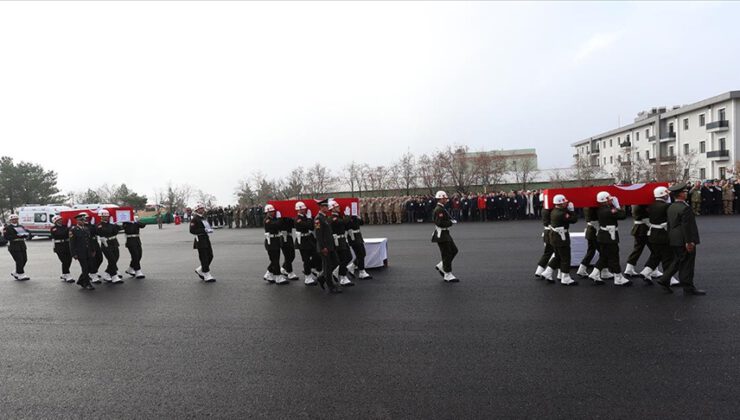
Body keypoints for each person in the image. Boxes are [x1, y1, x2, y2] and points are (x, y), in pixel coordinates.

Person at [656, 184, 706, 295]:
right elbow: (687, 227)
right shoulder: (685, 208)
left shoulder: (671, 206)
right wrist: (689, 242)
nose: (686, 193)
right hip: (684, 239)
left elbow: (670, 224)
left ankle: (664, 280)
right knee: (687, 264)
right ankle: (688, 287)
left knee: (678, 261)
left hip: (674, 238)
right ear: (681, 194)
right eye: (684, 192)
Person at [588, 191, 631, 286]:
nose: (611, 200)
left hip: (603, 235)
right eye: (609, 199)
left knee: (604, 256)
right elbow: (622, 216)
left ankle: (594, 274)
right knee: (614, 255)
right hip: (609, 236)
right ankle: (618, 277)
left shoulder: (600, 209)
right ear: (605, 200)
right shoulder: (609, 210)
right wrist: (618, 206)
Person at [643, 186, 679, 287]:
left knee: (656, 255)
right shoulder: (666, 206)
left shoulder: (651, 205)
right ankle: (669, 278)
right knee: (668, 257)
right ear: (664, 195)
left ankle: (646, 271)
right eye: (667, 194)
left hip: (653, 234)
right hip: (663, 235)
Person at [546, 194, 578, 286]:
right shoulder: (562, 213)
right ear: (560, 203)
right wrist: (572, 210)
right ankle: (565, 277)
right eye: (564, 202)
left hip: (555, 237)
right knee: (565, 257)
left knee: (558, 256)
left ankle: (547, 272)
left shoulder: (554, 211)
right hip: (561, 237)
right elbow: (574, 220)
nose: (566, 203)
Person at [314, 199, 342, 293]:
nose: (327, 208)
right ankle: (331, 286)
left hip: (330, 246)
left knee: (336, 262)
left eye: (327, 206)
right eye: (325, 206)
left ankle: (322, 277)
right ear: (321, 207)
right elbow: (318, 235)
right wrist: (323, 248)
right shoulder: (318, 219)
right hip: (324, 247)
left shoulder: (325, 217)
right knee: (328, 266)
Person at [431, 190, 459, 282]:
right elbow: (440, 223)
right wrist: (450, 222)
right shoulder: (439, 209)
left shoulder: (442, 208)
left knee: (454, 250)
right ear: (440, 199)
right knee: (446, 254)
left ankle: (442, 265)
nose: (446, 200)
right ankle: (447, 274)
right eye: (444, 198)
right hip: (441, 235)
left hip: (445, 234)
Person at [293, 201, 319, 286]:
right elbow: (309, 226)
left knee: (316, 255)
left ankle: (309, 269)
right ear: (299, 209)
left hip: (308, 239)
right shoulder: (298, 219)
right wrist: (309, 218)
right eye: (303, 208)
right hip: (302, 241)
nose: (305, 209)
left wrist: (309, 218)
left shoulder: (305, 217)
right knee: (306, 259)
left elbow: (311, 226)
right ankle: (307, 277)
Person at [329, 200, 354, 287]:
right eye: (337, 207)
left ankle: (338, 272)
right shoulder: (333, 218)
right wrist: (347, 215)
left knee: (348, 257)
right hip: (338, 242)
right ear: (332, 209)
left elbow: (346, 225)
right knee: (344, 258)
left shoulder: (339, 217)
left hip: (343, 240)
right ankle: (342, 277)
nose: (339, 208)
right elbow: (342, 222)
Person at [96, 209, 124, 284]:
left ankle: (107, 273)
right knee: (112, 260)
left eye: (107, 216)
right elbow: (105, 231)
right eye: (104, 216)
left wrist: (114, 225)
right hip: (106, 244)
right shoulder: (99, 225)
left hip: (114, 242)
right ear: (101, 217)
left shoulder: (110, 224)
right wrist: (112, 225)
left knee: (116, 258)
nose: (106, 217)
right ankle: (114, 276)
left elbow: (116, 231)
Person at [263, 204, 288, 285]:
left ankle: (268, 274)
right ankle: (278, 277)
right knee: (275, 260)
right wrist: (280, 218)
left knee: (274, 259)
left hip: (275, 241)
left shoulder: (273, 219)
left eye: (273, 211)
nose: (273, 212)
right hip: (271, 242)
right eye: (270, 211)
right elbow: (276, 225)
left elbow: (280, 226)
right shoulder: (267, 220)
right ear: (267, 212)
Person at [190, 203, 216, 282]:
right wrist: (203, 230)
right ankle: (206, 274)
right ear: (197, 210)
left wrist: (209, 229)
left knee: (210, 255)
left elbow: (206, 226)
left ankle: (200, 269)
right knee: (204, 257)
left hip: (206, 238)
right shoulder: (195, 219)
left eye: (202, 208)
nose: (202, 210)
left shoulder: (203, 218)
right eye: (200, 208)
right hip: (200, 239)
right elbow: (192, 230)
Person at [69, 213, 95, 290]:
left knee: (90, 267)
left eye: (83, 220)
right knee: (85, 268)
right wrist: (74, 254)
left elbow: (90, 240)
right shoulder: (73, 230)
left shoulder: (86, 228)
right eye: (80, 220)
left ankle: (81, 280)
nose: (83, 221)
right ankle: (87, 283)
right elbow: (72, 243)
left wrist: (93, 250)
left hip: (88, 251)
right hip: (80, 252)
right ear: (77, 221)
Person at [624, 204, 651, 278]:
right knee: (655, 250)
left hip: (639, 228)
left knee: (638, 248)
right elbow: (646, 215)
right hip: (644, 228)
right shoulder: (641, 205)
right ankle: (650, 269)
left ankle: (629, 268)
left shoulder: (635, 203)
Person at [3, 214, 31, 280]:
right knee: (19, 260)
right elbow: (6, 237)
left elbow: (26, 233)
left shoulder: (21, 226)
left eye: (16, 219)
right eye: (13, 219)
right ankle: (21, 274)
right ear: (10, 220)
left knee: (24, 259)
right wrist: (17, 235)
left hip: (21, 244)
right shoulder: (7, 228)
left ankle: (16, 272)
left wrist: (26, 234)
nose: (15, 220)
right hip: (13, 245)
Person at [346, 211, 372, 280]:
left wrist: (357, 216)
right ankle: (361, 271)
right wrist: (348, 217)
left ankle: (352, 266)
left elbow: (362, 223)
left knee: (363, 253)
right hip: (353, 237)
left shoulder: (355, 216)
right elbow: (347, 227)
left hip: (358, 236)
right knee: (360, 254)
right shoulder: (347, 217)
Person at [50, 215, 74, 282]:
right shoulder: (53, 228)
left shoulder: (65, 226)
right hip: (59, 246)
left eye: (61, 219)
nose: (60, 220)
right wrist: (68, 228)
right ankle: (68, 275)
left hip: (67, 245)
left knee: (69, 260)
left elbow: (69, 234)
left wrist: (70, 228)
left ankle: (64, 274)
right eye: (58, 220)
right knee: (64, 261)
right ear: (55, 221)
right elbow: (60, 234)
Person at [535, 198, 555, 280]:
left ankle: (539, 270)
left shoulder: (544, 209)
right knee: (558, 253)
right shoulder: (549, 210)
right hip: (551, 233)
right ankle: (549, 272)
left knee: (547, 252)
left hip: (546, 232)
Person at [576, 207, 599, 278]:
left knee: (591, 251)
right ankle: (602, 271)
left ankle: (582, 268)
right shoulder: (593, 207)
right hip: (595, 230)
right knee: (603, 252)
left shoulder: (586, 206)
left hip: (590, 230)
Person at [278, 212, 299, 281]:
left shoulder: (288, 218)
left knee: (292, 255)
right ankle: (290, 272)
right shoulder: (280, 218)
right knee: (287, 256)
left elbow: (294, 225)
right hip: (283, 237)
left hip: (289, 237)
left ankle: (284, 268)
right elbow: (280, 225)